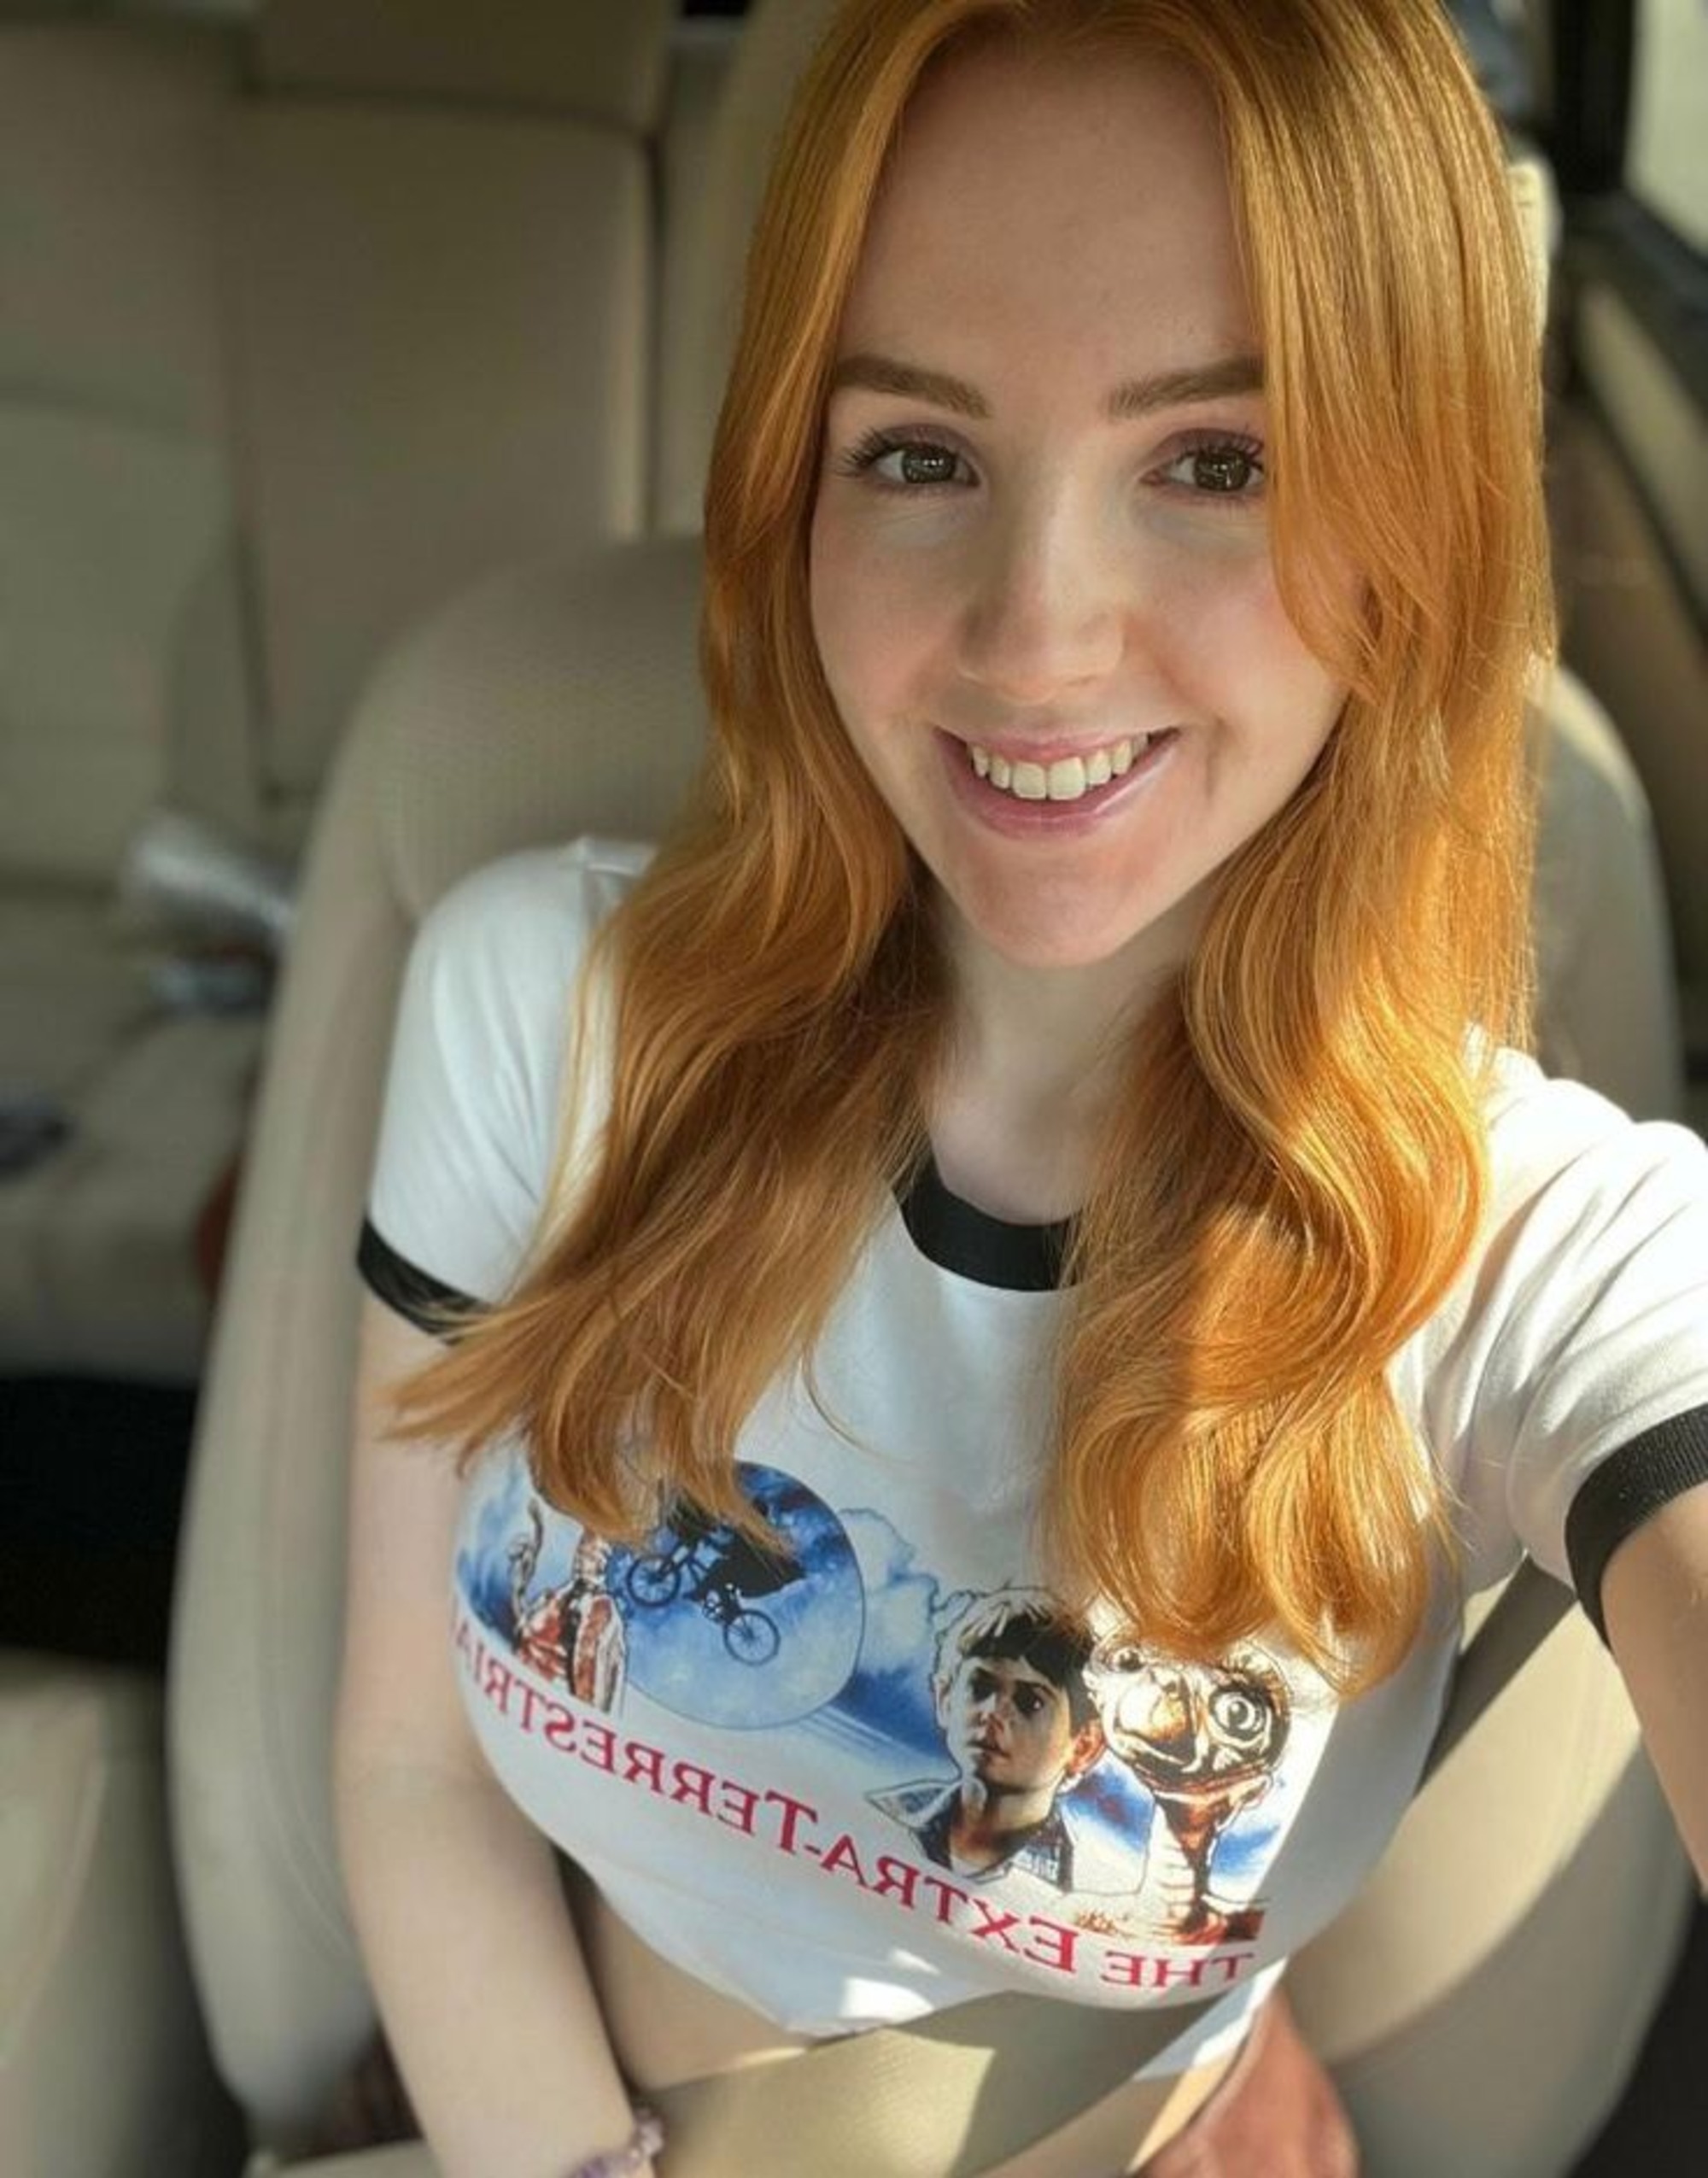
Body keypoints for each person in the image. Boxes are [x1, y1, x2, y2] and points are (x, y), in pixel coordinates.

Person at [335, 1, 1708, 2173]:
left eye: (1216, 463)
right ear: (791, 494)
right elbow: (409, 1772)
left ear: (1413, 530)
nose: (1038, 633)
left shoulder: (1528, 1246)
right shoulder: (540, 1016)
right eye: (916, 455)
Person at [869, 1585, 1109, 1886]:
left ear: (1084, 1745)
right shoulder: (880, 1812)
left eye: (1031, 1702)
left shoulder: (1089, 1890)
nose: (993, 1711)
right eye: (980, 1687)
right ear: (944, 1698)